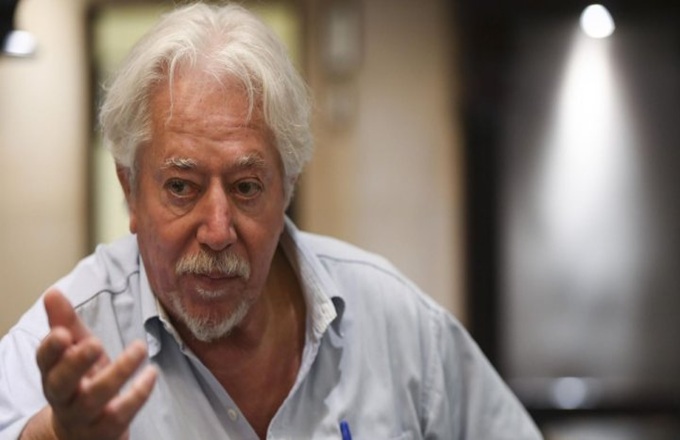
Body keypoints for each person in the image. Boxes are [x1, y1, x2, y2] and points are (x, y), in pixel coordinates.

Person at [0, 3, 542, 439]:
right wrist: (59, 435)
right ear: (130, 192)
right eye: (182, 187)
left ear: (287, 188)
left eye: (246, 187)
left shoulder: (395, 324)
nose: (217, 231)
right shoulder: (67, 345)